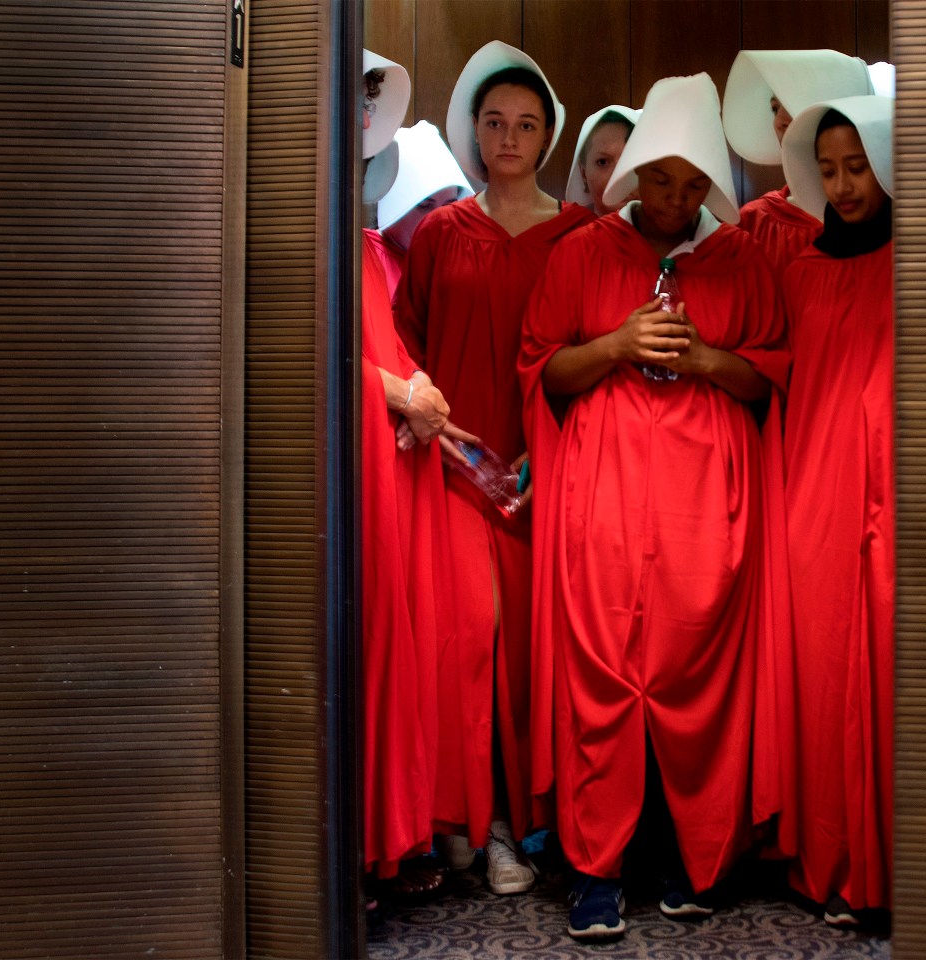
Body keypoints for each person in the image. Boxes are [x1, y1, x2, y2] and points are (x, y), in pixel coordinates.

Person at [518, 72, 791, 941]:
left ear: (710, 185)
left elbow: (769, 378)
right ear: (634, 175)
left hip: (706, 506)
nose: (674, 200)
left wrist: (707, 358)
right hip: (603, 502)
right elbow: (543, 370)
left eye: (691, 185)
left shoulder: (743, 260)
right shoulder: (581, 255)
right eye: (660, 180)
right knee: (603, 675)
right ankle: (596, 871)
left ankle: (693, 857)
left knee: (695, 676)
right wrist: (615, 343)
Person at [394, 40, 593, 896]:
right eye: (494, 122)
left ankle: (525, 824)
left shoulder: (581, 235)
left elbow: (592, 351)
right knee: (463, 646)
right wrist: (430, 425)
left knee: (531, 658)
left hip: (550, 473)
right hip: (454, 471)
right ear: (474, 132)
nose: (508, 137)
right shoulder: (441, 233)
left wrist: (563, 452)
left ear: (547, 136)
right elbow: (405, 348)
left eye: (526, 124)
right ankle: (468, 822)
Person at [355, 49, 472, 910]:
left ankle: (389, 842)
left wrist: (415, 394)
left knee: (403, 640)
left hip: (392, 472)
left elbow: (388, 352)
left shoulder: (357, 247)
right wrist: (394, 390)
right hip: (342, 493)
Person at [777, 94, 895, 929]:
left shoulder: (923, 262)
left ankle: (899, 869)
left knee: (893, 678)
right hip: (814, 497)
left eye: (857, 166)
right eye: (827, 170)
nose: (843, 185)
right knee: (822, 681)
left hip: (894, 490)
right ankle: (833, 864)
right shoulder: (801, 272)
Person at [721, 49, 872, 274]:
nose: (780, 121)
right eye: (774, 108)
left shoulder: (881, 218)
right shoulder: (756, 221)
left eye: (791, 103)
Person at [369, 120, 473, 304]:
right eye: (424, 205)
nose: (439, 219)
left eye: (449, 205)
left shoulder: (462, 269)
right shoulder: (362, 259)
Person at [563, 105, 640, 217]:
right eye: (603, 162)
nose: (620, 176)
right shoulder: (573, 233)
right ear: (583, 173)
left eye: (631, 160)